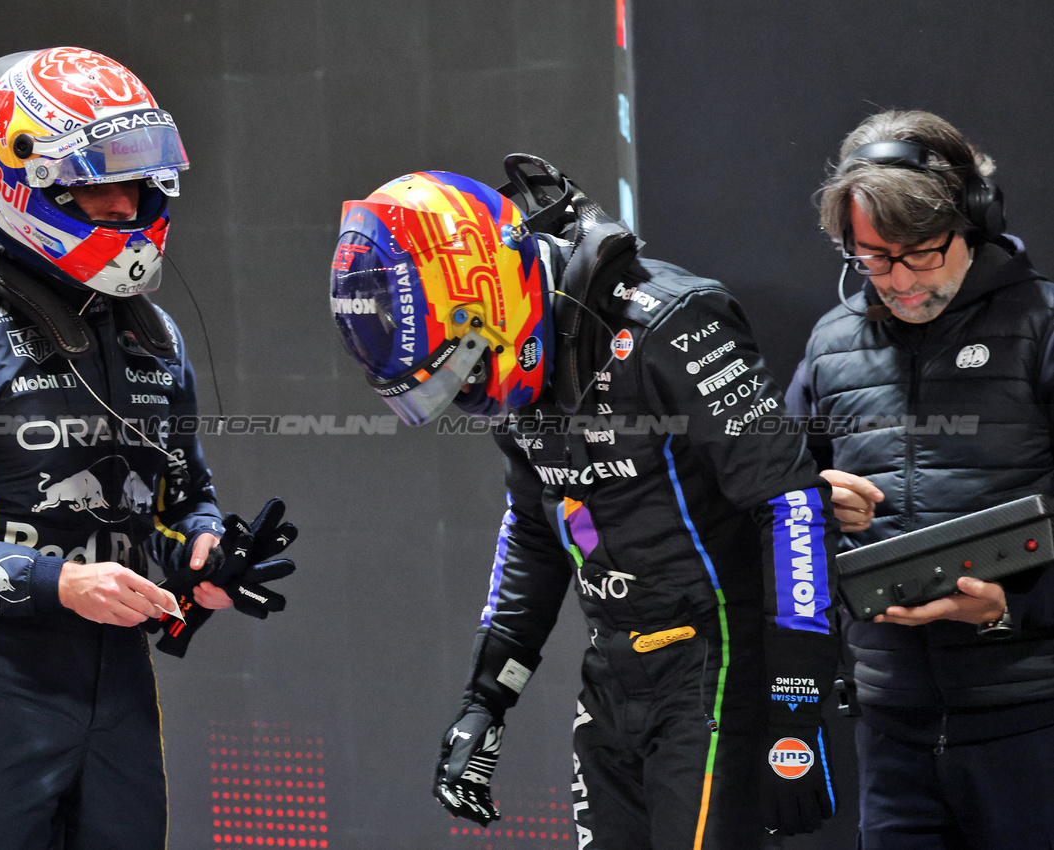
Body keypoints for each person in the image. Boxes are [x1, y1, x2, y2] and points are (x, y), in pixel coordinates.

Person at [0, 47, 290, 846]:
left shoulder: (155, 338)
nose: (125, 207)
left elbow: (177, 504)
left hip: (120, 688)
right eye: (96, 184)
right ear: (27, 181)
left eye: (137, 183)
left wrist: (206, 559)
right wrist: (58, 583)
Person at [330, 157, 840, 847]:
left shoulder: (673, 323)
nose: (471, 391)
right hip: (611, 675)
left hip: (715, 673)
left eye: (466, 364)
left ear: (491, 291)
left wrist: (796, 710)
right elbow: (534, 531)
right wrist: (486, 699)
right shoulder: (515, 359)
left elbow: (789, 505)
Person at [786, 109, 1054, 847]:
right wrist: (809, 502)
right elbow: (771, 503)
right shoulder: (830, 343)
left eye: (918, 255)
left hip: (1031, 719)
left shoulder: (1042, 326)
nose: (897, 281)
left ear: (972, 221)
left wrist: (1009, 609)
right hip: (888, 727)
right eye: (871, 259)